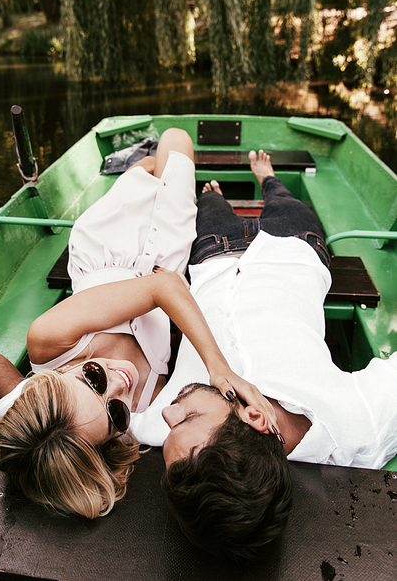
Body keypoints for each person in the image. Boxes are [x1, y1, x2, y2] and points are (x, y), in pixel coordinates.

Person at [0, 129, 277, 522]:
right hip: (168, 251)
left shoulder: (51, 342)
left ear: (45, 382)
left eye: (93, 377)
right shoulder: (133, 413)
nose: (122, 383)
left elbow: (9, 397)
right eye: (115, 414)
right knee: (179, 141)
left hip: (112, 242)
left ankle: (137, 164)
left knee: (146, 171)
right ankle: (147, 165)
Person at [129, 150, 397, 561]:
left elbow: (33, 411)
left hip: (214, 257)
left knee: (211, 202)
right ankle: (268, 178)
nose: (166, 414)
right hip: (293, 249)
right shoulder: (355, 431)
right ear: (255, 417)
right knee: (284, 200)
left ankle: (227, 189)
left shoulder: (167, 437)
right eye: (189, 417)